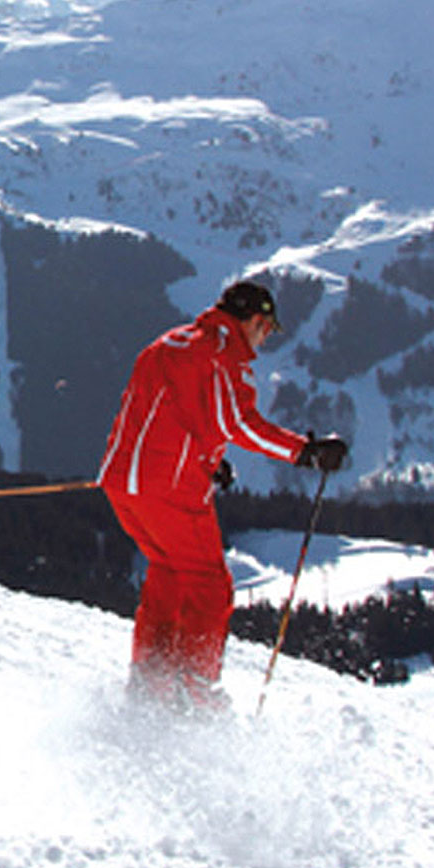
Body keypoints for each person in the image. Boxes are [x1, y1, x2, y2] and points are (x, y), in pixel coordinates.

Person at [98, 279, 347, 705]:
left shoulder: (171, 342)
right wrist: (304, 453)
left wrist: (206, 461)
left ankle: (150, 684)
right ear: (253, 320)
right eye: (267, 329)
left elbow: (166, 410)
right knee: (209, 583)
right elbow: (239, 423)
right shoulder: (220, 355)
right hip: (169, 491)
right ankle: (194, 692)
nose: (266, 338)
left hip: (123, 483)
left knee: (169, 571)